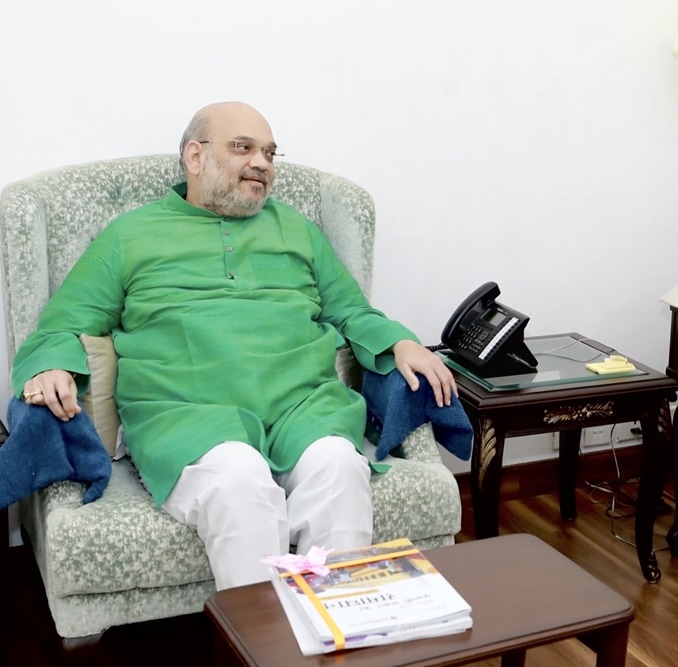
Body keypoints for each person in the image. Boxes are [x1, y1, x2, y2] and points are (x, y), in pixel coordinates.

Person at [10, 101, 458, 590]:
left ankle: (337, 639)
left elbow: (352, 310)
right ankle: (265, 649)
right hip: (185, 412)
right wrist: (51, 366)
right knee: (238, 480)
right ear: (195, 158)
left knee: (339, 470)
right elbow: (64, 322)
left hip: (303, 405)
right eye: (243, 148)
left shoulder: (298, 231)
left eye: (269, 152)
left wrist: (401, 343)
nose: (262, 163)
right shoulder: (129, 236)